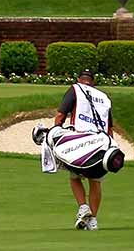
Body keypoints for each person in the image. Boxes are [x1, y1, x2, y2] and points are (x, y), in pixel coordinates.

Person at [55, 68, 115, 231]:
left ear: (79, 79)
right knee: (95, 181)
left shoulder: (76, 89)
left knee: (75, 177)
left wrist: (56, 131)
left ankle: (83, 207)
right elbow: (109, 128)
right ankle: (93, 221)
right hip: (102, 142)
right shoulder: (104, 97)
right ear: (92, 81)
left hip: (81, 141)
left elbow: (61, 114)